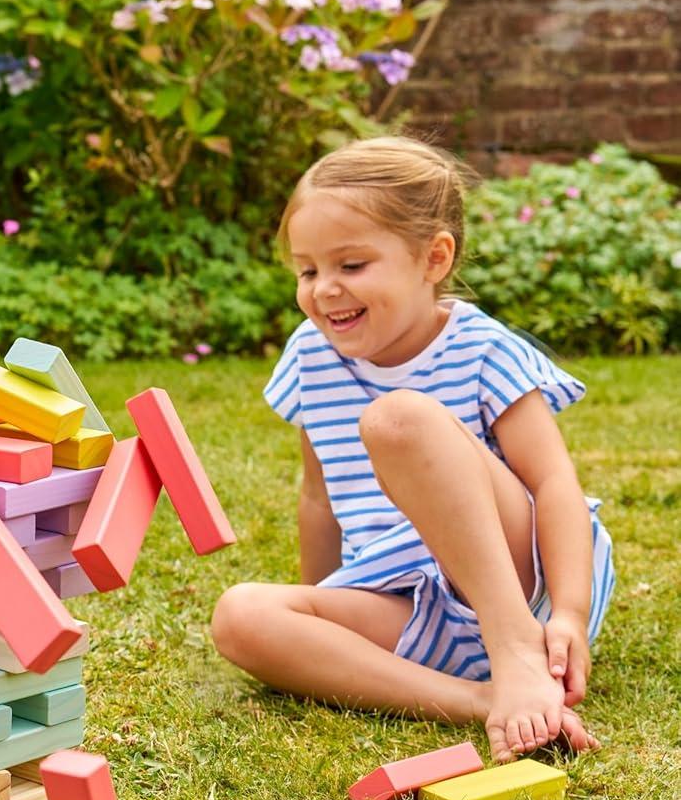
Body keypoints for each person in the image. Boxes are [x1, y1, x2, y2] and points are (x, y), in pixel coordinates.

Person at [211, 135, 612, 763]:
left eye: (351, 265)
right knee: (238, 614)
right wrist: (320, 611)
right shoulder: (311, 358)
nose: (324, 290)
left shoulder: (483, 349)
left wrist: (568, 611)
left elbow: (555, 485)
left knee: (399, 420)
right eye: (307, 270)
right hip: (409, 608)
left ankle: (517, 652)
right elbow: (319, 500)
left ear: (433, 258)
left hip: (515, 585)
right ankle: (481, 699)